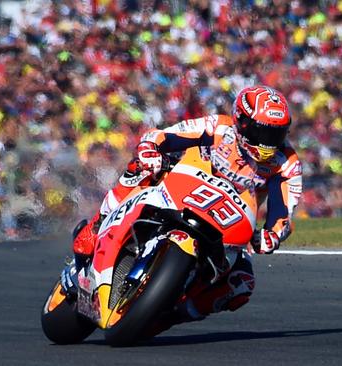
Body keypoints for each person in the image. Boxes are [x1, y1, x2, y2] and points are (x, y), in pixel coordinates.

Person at [63, 86, 302, 325]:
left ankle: (173, 314)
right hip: (182, 186)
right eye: (263, 133)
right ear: (242, 122)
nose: (269, 143)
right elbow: (164, 135)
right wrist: (150, 149)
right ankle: (97, 225)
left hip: (226, 220)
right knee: (140, 168)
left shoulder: (287, 164)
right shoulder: (219, 127)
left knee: (241, 284)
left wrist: (271, 235)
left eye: (277, 134)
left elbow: (283, 212)